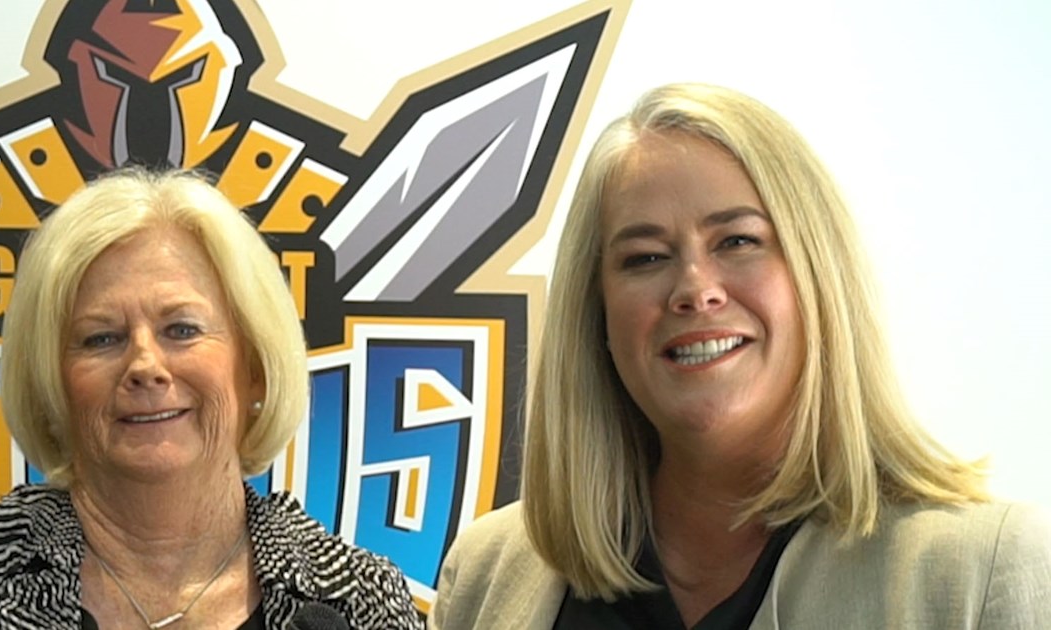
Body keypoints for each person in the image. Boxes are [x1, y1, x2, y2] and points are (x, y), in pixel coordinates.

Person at [429, 83, 1051, 629]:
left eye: (737, 241)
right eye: (645, 257)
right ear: (596, 313)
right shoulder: (486, 572)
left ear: (819, 276)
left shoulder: (984, 569)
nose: (695, 289)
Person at [0, 168, 423, 629]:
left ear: (254, 367)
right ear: (50, 381)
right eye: (101, 338)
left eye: (181, 329)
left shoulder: (356, 602)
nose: (145, 366)